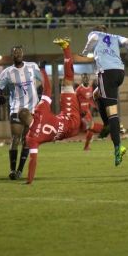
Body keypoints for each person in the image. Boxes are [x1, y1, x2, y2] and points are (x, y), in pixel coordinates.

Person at [19, 39, 84, 184]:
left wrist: (29, 181)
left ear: (22, 123)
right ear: (29, 114)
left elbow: (33, 160)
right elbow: (47, 89)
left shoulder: (31, 138)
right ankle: (66, 48)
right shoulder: (39, 110)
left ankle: (111, 128)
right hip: (69, 118)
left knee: (87, 126)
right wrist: (42, 69)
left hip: (70, 132)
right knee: (67, 82)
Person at [81, 25, 128, 166]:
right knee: (96, 94)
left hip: (107, 73)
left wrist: (85, 52)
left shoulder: (95, 35)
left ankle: (118, 146)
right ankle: (107, 125)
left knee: (112, 112)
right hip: (120, 73)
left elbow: (92, 38)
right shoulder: (115, 37)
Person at [0, 45, 42, 180]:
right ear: (11, 56)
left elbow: (45, 82)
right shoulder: (7, 72)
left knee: (26, 140)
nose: (18, 54)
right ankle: (12, 170)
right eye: (15, 52)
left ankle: (19, 170)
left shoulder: (32, 67)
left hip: (32, 110)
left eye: (20, 52)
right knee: (15, 138)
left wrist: (45, 99)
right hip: (16, 110)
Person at [75, 73, 102, 151]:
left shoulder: (90, 88)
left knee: (91, 130)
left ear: (89, 78)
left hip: (87, 111)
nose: (85, 79)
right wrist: (79, 111)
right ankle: (86, 147)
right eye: (84, 78)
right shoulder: (78, 89)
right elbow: (74, 101)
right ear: (81, 79)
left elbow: (89, 99)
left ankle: (86, 146)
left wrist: (94, 107)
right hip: (82, 112)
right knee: (90, 129)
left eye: (87, 78)